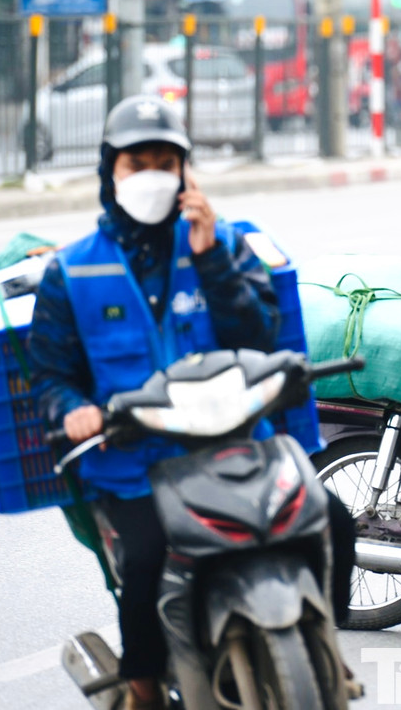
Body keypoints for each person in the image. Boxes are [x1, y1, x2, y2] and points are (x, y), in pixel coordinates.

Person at [28, 96, 355, 709]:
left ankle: (322, 645)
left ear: (185, 172)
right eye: (137, 163)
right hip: (136, 463)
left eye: (165, 162)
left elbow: (259, 337)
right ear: (110, 170)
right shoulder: (72, 271)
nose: (151, 176)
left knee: (332, 519)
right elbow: (50, 374)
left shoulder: (223, 243)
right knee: (147, 560)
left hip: (239, 444)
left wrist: (210, 259)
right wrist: (73, 409)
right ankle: (143, 689)